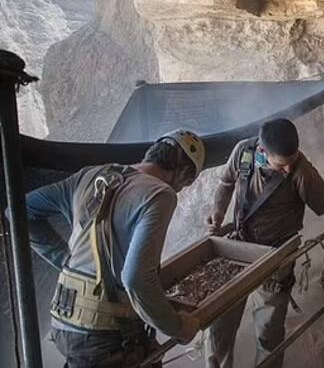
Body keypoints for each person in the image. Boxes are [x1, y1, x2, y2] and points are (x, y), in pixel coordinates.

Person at [19, 130, 206, 367]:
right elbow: (137, 279)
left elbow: (19, 211)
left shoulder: (91, 174)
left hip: (65, 323)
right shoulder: (161, 193)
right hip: (104, 335)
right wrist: (178, 327)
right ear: (184, 175)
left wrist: (65, 260)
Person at [204, 118, 324, 368]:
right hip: (237, 251)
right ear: (262, 151)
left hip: (276, 261)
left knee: (269, 335)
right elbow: (226, 182)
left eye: (292, 161)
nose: (288, 170)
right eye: (281, 165)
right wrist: (218, 210)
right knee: (219, 330)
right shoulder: (243, 152)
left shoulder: (301, 172)